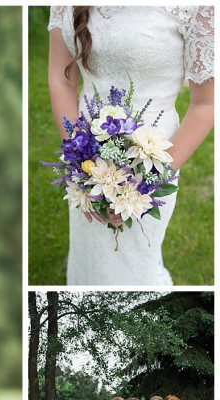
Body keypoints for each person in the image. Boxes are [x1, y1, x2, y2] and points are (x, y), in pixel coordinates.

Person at [47, 6, 214, 285]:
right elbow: (60, 80)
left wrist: (146, 184)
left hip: (154, 162)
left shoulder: (198, 7)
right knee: (90, 257)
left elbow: (206, 104)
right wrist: (80, 161)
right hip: (86, 160)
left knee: (137, 262)